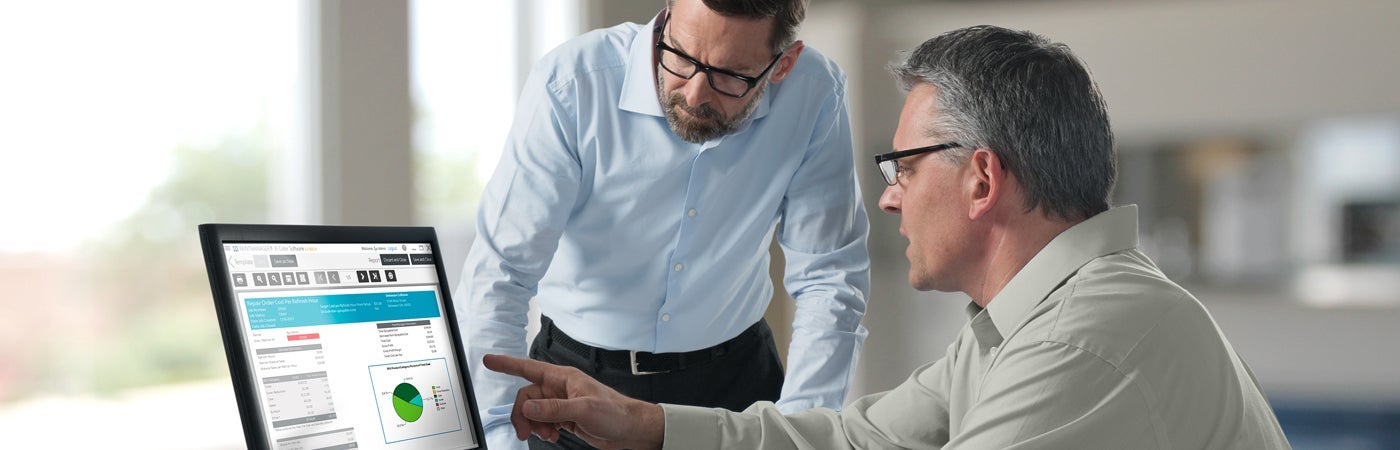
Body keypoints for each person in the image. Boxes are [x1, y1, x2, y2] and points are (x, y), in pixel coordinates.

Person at [482, 25, 1293, 449]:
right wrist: (651, 426)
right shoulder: (1027, 326)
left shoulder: (1087, 343)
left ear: (982, 179)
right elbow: (860, 438)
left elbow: (830, 279)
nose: (890, 197)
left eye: (902, 165)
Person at [458, 0, 871, 448]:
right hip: (572, 390)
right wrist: (499, 432)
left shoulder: (814, 94)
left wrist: (801, 432)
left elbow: (830, 276)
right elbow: (501, 275)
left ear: (782, 65)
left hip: (734, 391)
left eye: (731, 75)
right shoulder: (572, 84)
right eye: (680, 56)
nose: (694, 94)